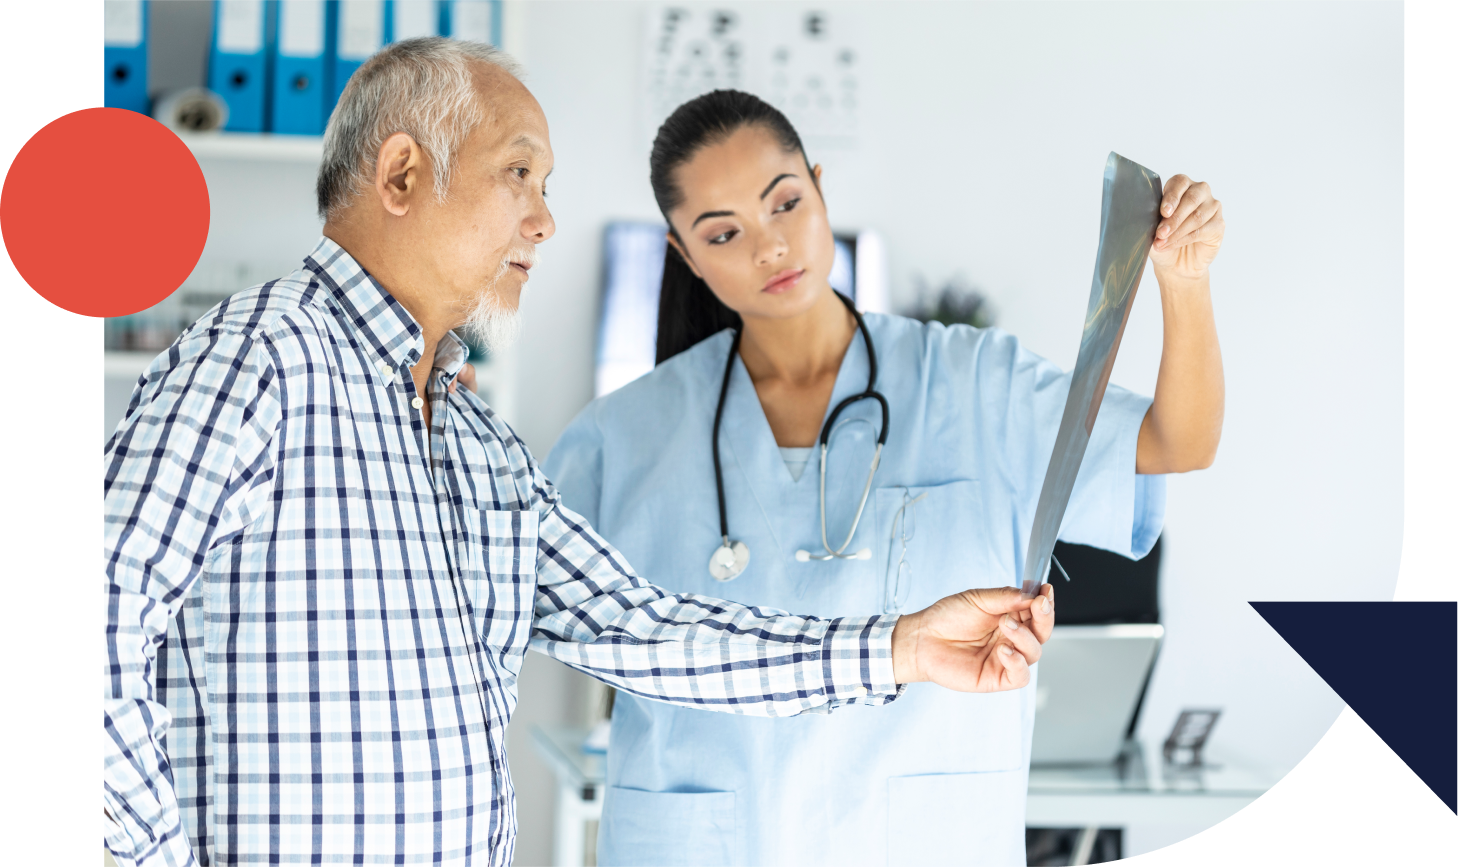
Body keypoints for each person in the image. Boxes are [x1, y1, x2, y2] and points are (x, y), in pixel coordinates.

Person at [102, 41, 1054, 867]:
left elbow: (649, 630)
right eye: (519, 174)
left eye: (546, 188)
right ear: (399, 176)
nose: (545, 220)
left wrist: (902, 646)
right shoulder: (261, 359)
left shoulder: (477, 446)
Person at [541, 90, 1225, 865]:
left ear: (821, 187)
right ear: (684, 255)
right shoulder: (619, 437)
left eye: (785, 203)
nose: (768, 246)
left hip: (922, 838)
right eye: (723, 232)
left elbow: (1178, 440)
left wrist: (1185, 282)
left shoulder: (973, 383)